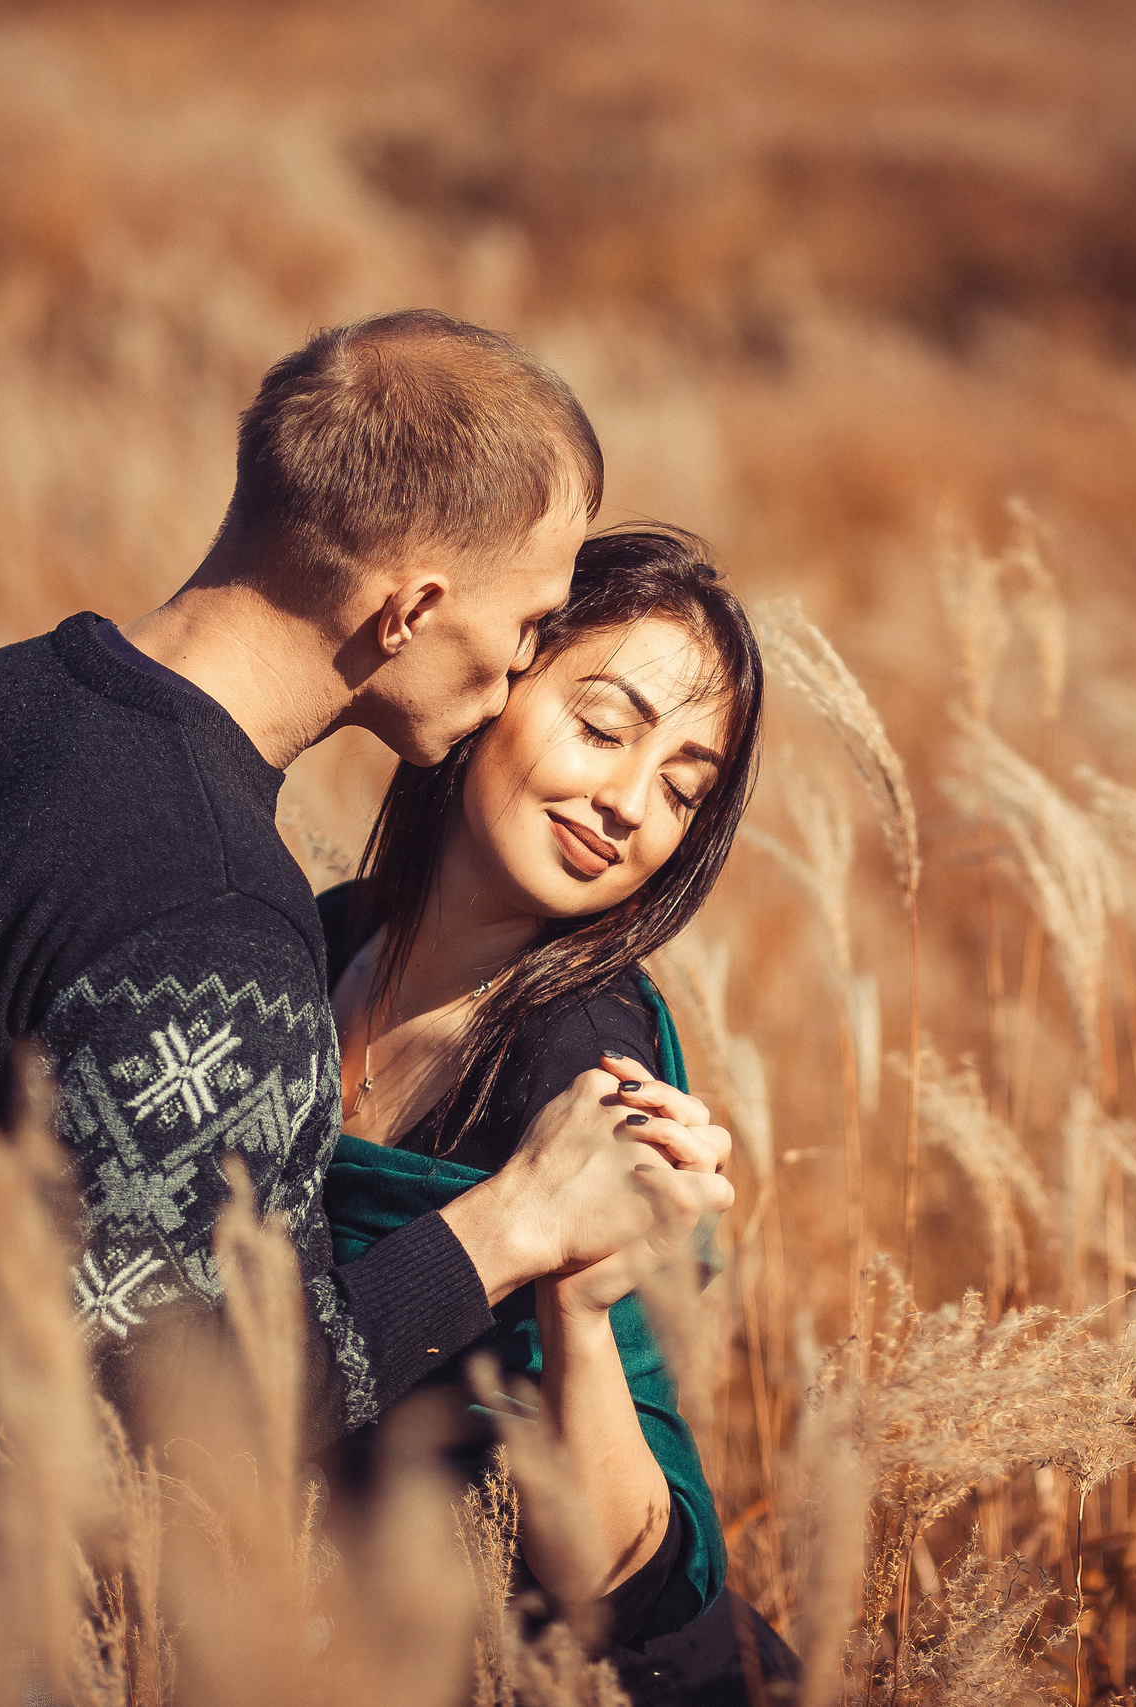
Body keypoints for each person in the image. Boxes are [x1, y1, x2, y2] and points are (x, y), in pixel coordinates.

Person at [0, 311, 735, 1701]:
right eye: (531, 628)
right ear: (411, 609)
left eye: (686, 781)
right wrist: (511, 1223)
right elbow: (188, 1409)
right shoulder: (224, 921)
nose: (510, 671)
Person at [317, 525, 798, 1699]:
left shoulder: (580, 1066)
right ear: (494, 675)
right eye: (604, 727)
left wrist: (582, 1319)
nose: (632, 803)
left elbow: (618, 1580)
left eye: (684, 789)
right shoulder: (317, 938)